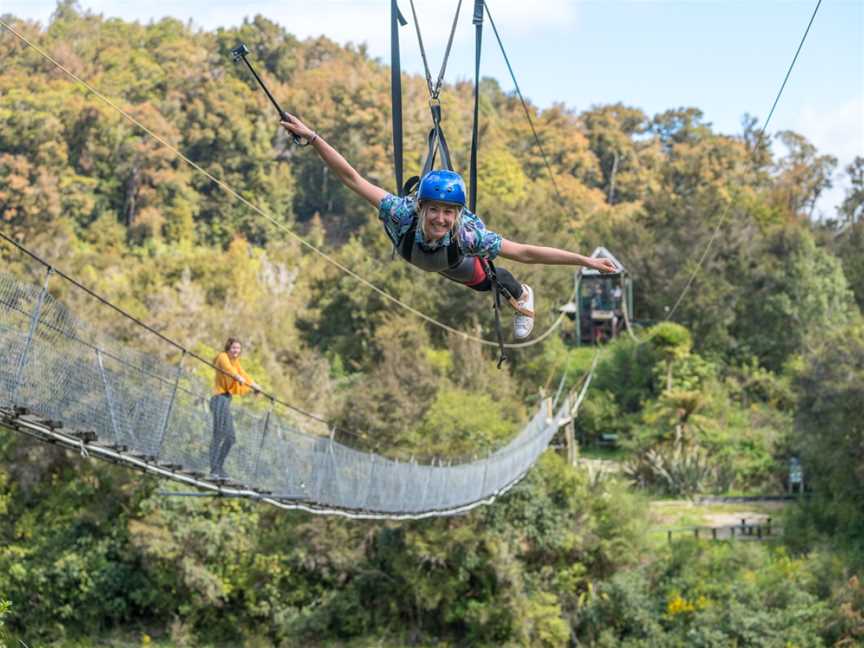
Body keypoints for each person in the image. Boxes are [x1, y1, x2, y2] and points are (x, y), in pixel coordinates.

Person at [279, 114, 617, 339]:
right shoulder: (400, 212)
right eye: (435, 210)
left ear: (458, 214)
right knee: (446, 266)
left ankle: (520, 294)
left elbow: (526, 252)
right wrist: (314, 139)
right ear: (421, 207)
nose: (441, 218)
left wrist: (584, 261)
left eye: (449, 213)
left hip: (452, 260)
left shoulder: (468, 235)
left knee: (489, 281)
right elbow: (351, 178)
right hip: (422, 254)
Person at [209, 337, 261, 479]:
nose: (236, 351)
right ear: (228, 348)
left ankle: (218, 467)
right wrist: (237, 377)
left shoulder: (235, 362)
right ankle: (214, 469)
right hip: (218, 398)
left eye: (238, 348)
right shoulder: (222, 357)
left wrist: (254, 385)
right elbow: (228, 369)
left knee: (231, 437)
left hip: (226, 400)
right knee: (219, 434)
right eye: (233, 348)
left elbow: (243, 374)